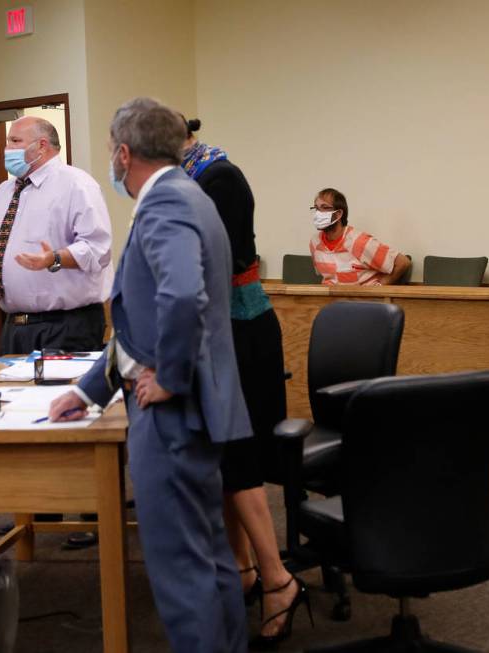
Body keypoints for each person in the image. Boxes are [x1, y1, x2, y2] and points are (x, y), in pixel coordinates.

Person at [48, 97, 254, 653]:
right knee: (208, 560)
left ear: (122, 153)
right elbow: (142, 321)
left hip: (171, 414)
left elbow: (184, 296)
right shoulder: (189, 194)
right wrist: (88, 389)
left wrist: (171, 377)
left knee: (182, 575)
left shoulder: (165, 204)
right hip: (192, 412)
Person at [180, 117, 307, 647]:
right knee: (223, 455)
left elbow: (220, 262)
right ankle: (243, 568)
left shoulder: (219, 177)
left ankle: (277, 578)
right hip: (221, 332)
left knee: (238, 454)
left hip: (241, 332)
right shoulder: (193, 177)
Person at [0, 116, 112, 355]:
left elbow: (97, 249)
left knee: (59, 393)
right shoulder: (5, 191)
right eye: (8, 141)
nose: (7, 148)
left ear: (42, 145)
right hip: (15, 326)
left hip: (66, 325)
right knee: (11, 392)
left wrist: (55, 258)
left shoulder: (76, 184)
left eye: (15, 141)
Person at [309, 188, 410, 285]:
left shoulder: (359, 242)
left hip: (362, 300)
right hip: (331, 299)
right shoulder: (315, 243)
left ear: (338, 214)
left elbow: (403, 263)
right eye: (316, 208)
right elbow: (325, 275)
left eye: (324, 207)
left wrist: (378, 287)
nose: (318, 213)